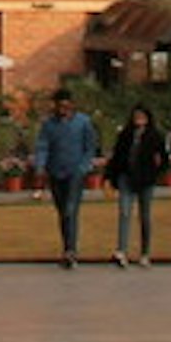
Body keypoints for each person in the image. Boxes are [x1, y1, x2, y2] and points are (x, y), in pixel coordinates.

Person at [31, 91, 102, 270]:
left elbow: (90, 146)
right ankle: (67, 246)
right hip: (56, 172)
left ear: (71, 105)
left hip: (75, 173)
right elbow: (43, 146)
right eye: (59, 106)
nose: (63, 110)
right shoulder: (49, 125)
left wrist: (84, 166)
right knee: (63, 212)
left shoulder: (83, 122)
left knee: (71, 210)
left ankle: (71, 250)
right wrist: (40, 167)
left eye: (66, 106)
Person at [104, 103, 171, 267]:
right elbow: (116, 156)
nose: (139, 120)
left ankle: (145, 252)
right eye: (136, 116)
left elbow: (164, 158)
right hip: (126, 177)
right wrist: (110, 177)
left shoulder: (155, 136)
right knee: (124, 213)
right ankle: (121, 250)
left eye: (142, 116)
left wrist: (156, 173)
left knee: (145, 216)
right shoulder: (125, 135)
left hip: (145, 180)